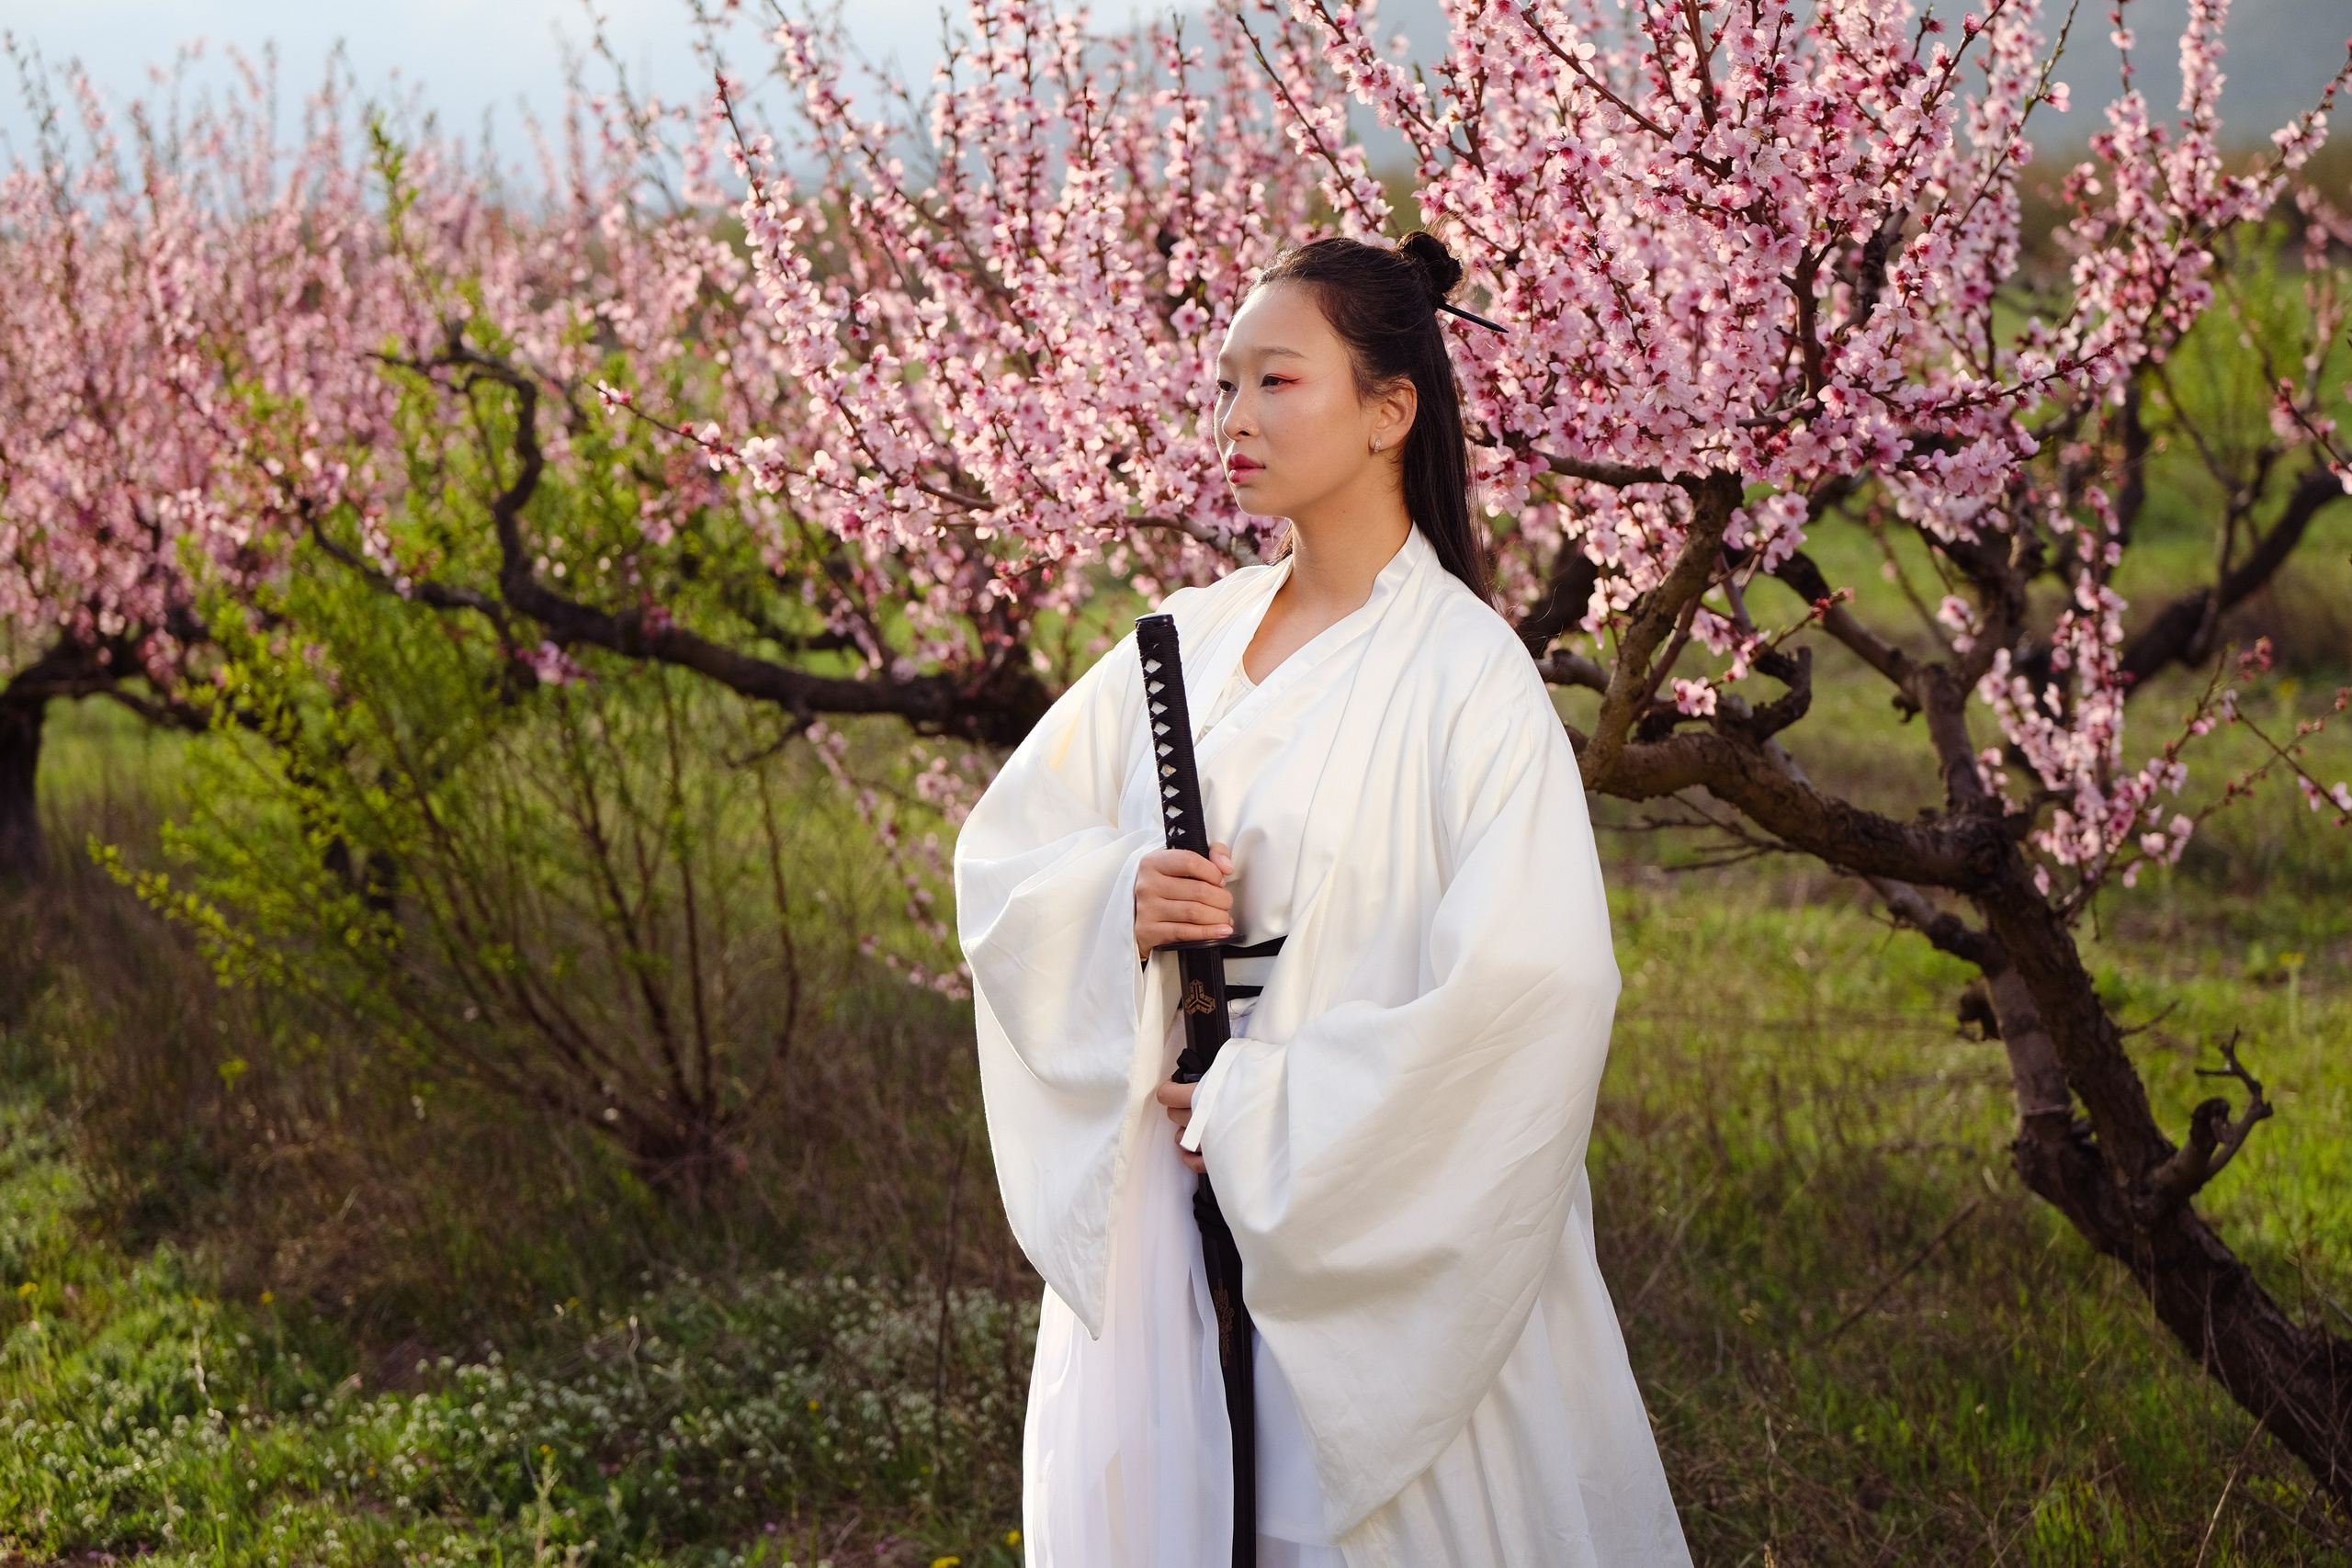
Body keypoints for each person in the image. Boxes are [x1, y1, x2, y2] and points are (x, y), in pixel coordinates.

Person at [954, 231, 1691, 1568]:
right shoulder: (1179, 649)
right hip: (1166, 1261)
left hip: (1375, 1254)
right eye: (1223, 385)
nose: (1233, 418)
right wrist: (1117, 895)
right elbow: (1006, 854)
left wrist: (1262, 1108)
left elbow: (1539, 987)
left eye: (1275, 382)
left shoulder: (1471, 680)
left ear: (1389, 410)